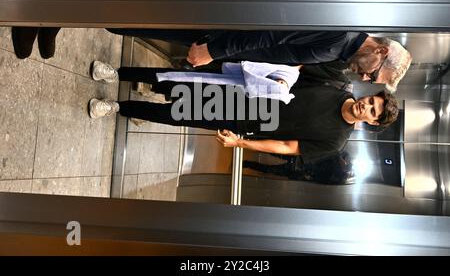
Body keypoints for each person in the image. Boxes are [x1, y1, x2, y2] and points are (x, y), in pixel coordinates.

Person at [87, 61, 399, 163]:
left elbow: (287, 146)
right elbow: (299, 66)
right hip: (244, 88)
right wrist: (278, 77)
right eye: (372, 101)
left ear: (371, 122)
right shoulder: (337, 83)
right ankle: (115, 73)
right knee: (179, 79)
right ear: (370, 95)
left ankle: (116, 107)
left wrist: (241, 143)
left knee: (177, 114)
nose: (366, 106)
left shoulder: (335, 141)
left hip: (243, 118)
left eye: (372, 111)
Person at [11, 27, 412, 91]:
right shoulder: (339, 36)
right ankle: (53, 11)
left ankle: (59, 18)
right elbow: (272, 33)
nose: (368, 78)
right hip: (222, 34)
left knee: (135, 23)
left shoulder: (340, 47)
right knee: (136, 17)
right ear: (379, 51)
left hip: (226, 41)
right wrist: (214, 49)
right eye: (376, 74)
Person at [243, 151, 355, 185]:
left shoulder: (339, 177)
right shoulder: (342, 157)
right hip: (302, 158)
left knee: (269, 169)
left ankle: (247, 164)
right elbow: (333, 151)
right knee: (271, 151)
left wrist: (305, 177)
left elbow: (321, 180)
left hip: (302, 168)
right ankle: (249, 146)